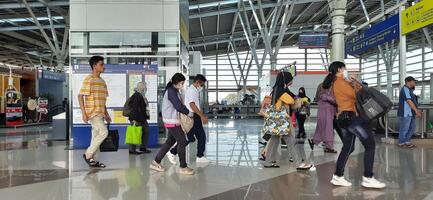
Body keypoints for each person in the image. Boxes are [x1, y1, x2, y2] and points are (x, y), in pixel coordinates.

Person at [329, 61, 386, 189]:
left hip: (345, 118)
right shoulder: (340, 82)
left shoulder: (341, 82)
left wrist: (354, 82)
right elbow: (357, 95)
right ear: (339, 69)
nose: (346, 70)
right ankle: (368, 177)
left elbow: (357, 93)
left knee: (348, 147)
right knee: (370, 144)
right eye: (345, 68)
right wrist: (355, 81)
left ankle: (338, 176)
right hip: (350, 118)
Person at [263, 71, 312, 170]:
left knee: (274, 140)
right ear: (285, 79)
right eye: (290, 79)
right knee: (290, 140)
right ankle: (298, 163)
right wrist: (299, 100)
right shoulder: (281, 90)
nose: (291, 81)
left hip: (275, 119)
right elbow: (290, 101)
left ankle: (268, 162)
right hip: (281, 119)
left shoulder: (275, 89)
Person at [150, 73, 195, 175]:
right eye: (181, 83)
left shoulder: (174, 91)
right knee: (182, 141)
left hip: (171, 120)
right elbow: (178, 106)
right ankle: (183, 167)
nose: (182, 85)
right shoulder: (171, 91)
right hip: (172, 121)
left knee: (170, 141)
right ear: (175, 82)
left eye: (183, 83)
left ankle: (155, 162)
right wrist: (189, 113)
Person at [167, 74, 210, 164]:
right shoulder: (191, 91)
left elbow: (195, 105)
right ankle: (173, 152)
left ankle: (199, 156)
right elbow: (192, 105)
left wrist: (201, 115)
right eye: (201, 84)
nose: (201, 87)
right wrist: (202, 116)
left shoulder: (194, 91)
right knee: (193, 137)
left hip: (194, 116)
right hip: (192, 116)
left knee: (193, 137)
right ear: (197, 82)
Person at [78, 55, 111, 168]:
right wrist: (83, 113)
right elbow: (80, 96)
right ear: (94, 66)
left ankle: (93, 161)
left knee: (95, 137)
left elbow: (103, 101)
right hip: (93, 113)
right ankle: (88, 155)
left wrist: (106, 114)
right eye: (101, 64)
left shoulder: (102, 82)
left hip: (100, 114)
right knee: (104, 133)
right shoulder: (89, 79)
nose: (104, 66)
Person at [308, 82, 338, 153]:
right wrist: (334, 100)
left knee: (321, 129)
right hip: (327, 112)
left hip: (326, 112)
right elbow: (323, 97)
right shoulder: (326, 90)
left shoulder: (325, 88)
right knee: (328, 129)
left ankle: (314, 141)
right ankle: (329, 147)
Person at [127, 82, 152, 155]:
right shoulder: (136, 96)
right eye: (145, 87)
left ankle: (143, 147)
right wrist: (134, 119)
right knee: (134, 132)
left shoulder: (141, 95)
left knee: (146, 131)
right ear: (142, 88)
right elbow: (134, 108)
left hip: (142, 118)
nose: (146, 89)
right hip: (136, 118)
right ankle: (132, 150)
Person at [397, 76, 421, 148]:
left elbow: (413, 101)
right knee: (404, 128)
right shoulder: (405, 89)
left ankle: (407, 141)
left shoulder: (410, 90)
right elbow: (409, 101)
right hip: (405, 113)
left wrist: (416, 109)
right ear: (408, 82)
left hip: (411, 113)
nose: (414, 83)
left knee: (412, 127)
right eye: (413, 81)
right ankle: (401, 142)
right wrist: (416, 111)